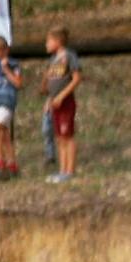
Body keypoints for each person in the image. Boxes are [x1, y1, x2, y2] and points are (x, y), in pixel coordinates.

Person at [43, 25, 81, 184]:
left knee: (68, 136)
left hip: (66, 103)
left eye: (48, 41)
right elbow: (50, 85)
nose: (46, 44)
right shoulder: (53, 61)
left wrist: (61, 96)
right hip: (55, 104)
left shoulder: (69, 56)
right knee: (59, 137)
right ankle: (62, 170)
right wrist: (49, 100)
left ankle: (70, 170)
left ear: (58, 41)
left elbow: (76, 79)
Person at [0, 34, 22, 181]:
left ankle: (0, 165)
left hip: (6, 101)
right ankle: (12, 165)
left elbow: (18, 83)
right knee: (3, 135)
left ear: (5, 51)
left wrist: (6, 70)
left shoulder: (12, 64)